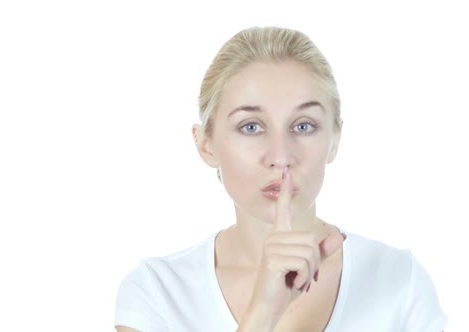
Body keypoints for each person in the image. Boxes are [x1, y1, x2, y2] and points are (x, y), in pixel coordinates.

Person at [114, 26, 447, 332]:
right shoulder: (156, 294)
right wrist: (263, 312)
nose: (281, 157)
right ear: (206, 145)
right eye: (251, 127)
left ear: (334, 140)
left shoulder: (400, 281)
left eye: (303, 126)